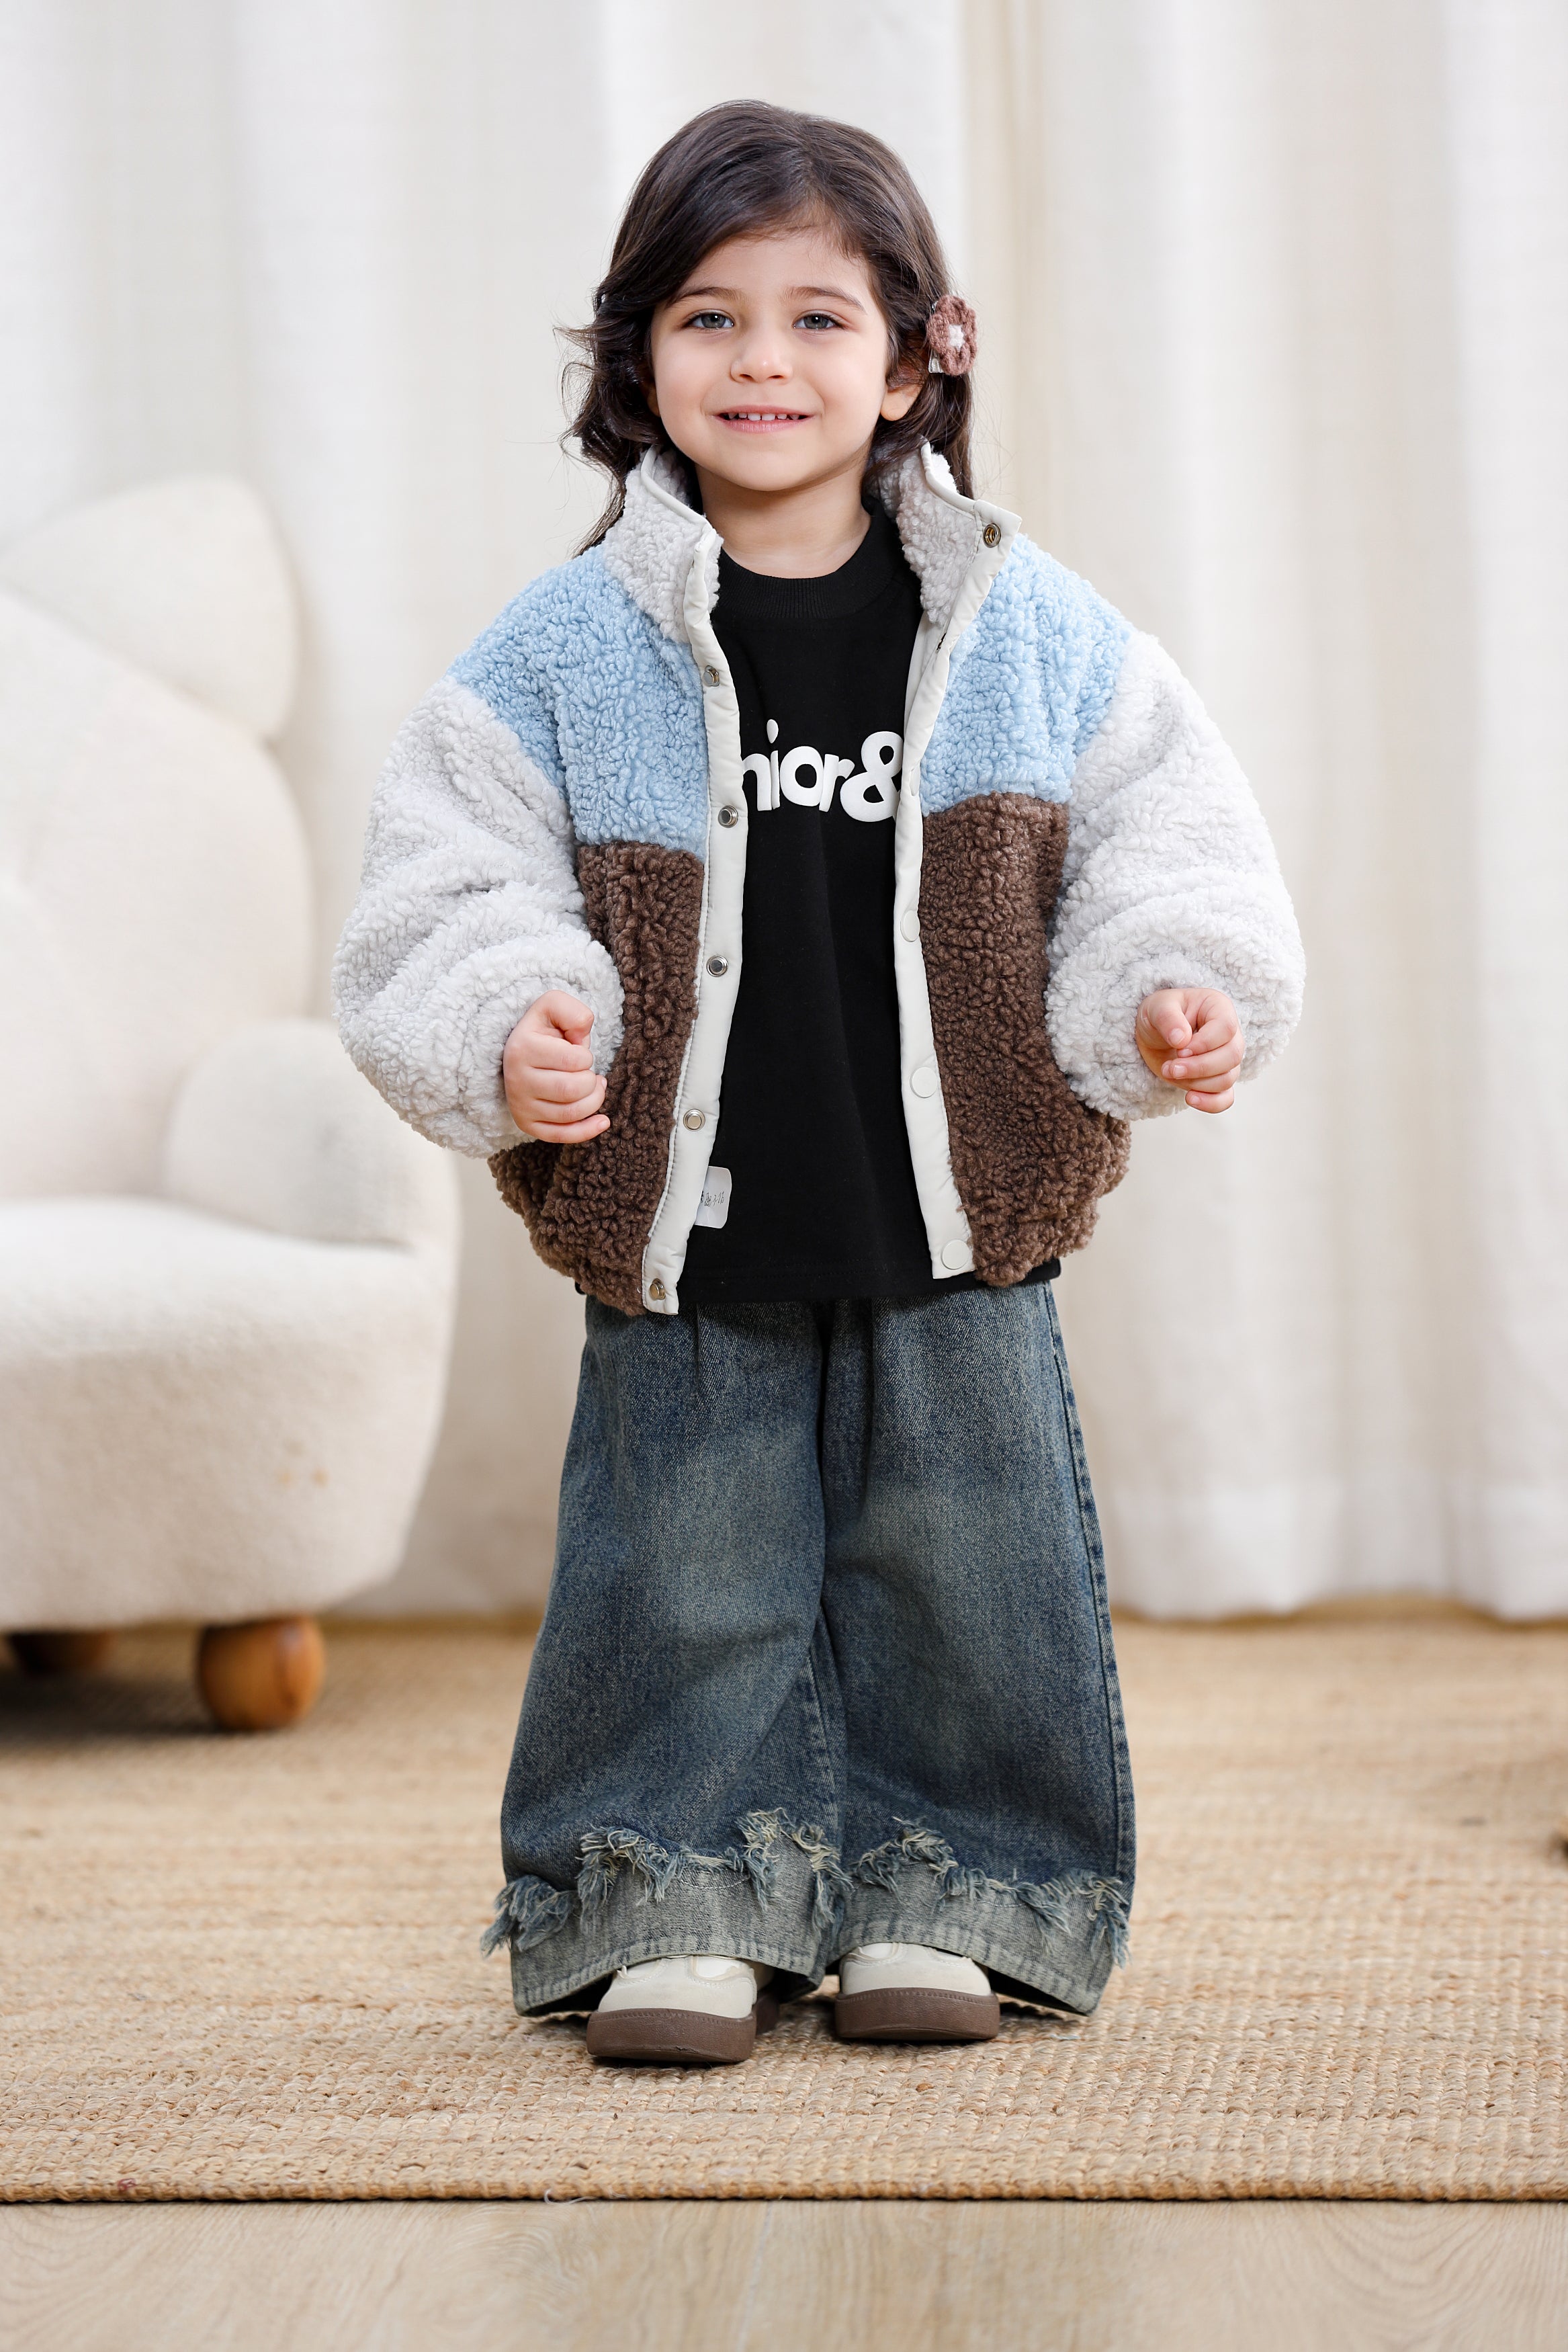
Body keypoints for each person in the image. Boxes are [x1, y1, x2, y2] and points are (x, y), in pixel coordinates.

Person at [335, 101, 1304, 2068]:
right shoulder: (563, 650)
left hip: (956, 1211)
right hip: (690, 1223)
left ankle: (954, 1885)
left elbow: (1170, 845)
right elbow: (444, 878)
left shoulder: (1031, 631)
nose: (761, 360)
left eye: (817, 317)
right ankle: (673, 1893)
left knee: (971, 1569)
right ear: (639, 361)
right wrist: (514, 1014)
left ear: (919, 356)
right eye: (709, 316)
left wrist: (1167, 990)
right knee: (679, 1573)